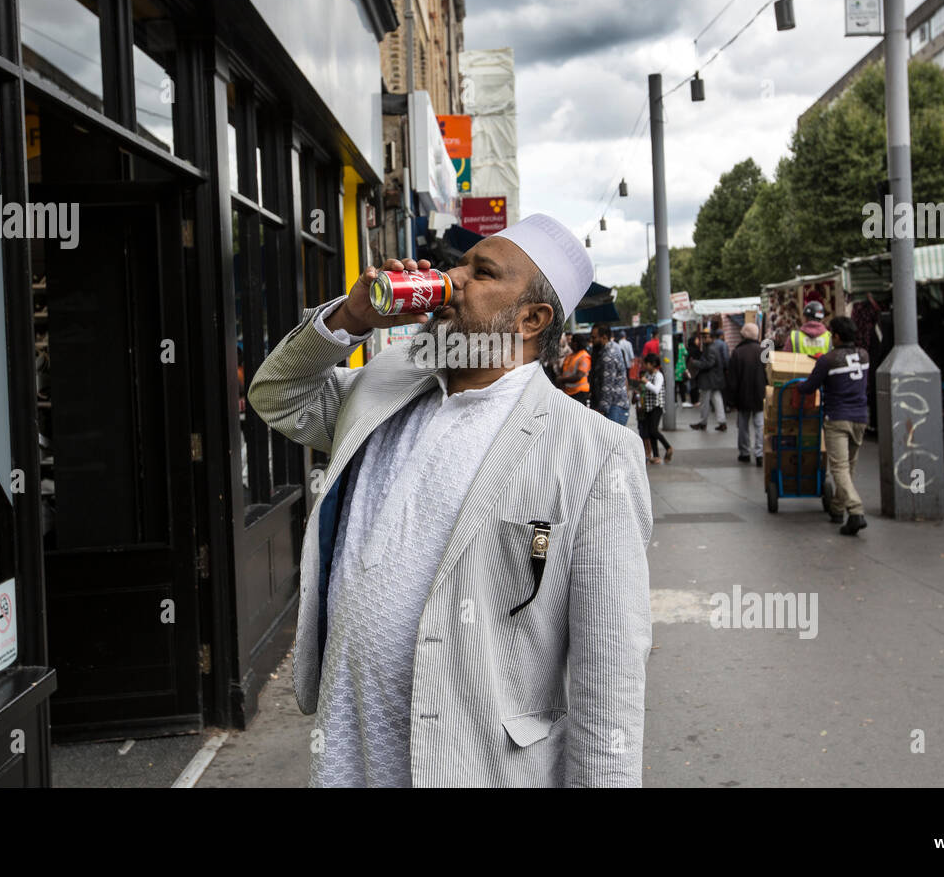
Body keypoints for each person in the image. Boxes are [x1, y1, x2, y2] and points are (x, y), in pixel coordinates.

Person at [248, 213, 652, 787]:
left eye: (480, 272)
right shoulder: (389, 380)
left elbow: (609, 684)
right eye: (458, 263)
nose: (452, 277)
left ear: (531, 318)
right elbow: (277, 397)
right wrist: (352, 318)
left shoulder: (595, 454)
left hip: (477, 769)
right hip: (347, 756)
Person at [798, 315, 871, 536]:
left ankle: (855, 511)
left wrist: (797, 386)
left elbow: (810, 387)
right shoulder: (864, 355)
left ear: (837, 337)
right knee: (849, 466)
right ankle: (837, 509)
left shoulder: (828, 360)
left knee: (839, 467)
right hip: (860, 417)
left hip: (837, 418)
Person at [727, 323, 766, 467]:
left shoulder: (738, 352)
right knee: (760, 425)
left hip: (742, 395)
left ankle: (744, 453)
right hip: (760, 393)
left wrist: (730, 400)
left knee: (743, 426)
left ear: (743, 335)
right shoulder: (763, 351)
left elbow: (732, 379)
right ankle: (760, 454)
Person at [591, 323, 631, 426]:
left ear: (604, 337)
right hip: (618, 405)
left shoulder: (608, 356)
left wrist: (601, 411)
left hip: (613, 408)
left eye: (594, 337)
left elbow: (607, 385)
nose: (592, 340)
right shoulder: (615, 347)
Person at [635, 352, 672, 464]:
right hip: (648, 407)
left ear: (653, 364)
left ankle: (668, 447)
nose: (645, 366)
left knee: (653, 430)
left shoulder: (658, 375)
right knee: (651, 432)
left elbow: (656, 390)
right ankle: (656, 456)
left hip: (657, 406)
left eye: (647, 364)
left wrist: (646, 383)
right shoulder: (648, 375)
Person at [689, 328, 728, 432]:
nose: (703, 339)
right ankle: (722, 422)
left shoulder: (710, 348)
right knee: (717, 400)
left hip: (709, 380)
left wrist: (696, 363)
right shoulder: (712, 347)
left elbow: (709, 363)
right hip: (714, 379)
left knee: (705, 402)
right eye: (703, 337)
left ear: (712, 338)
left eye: (706, 337)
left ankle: (703, 423)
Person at [557, 332, 592, 406]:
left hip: (580, 393)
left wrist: (561, 379)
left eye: (572, 341)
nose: (570, 343)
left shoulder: (584, 356)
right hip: (568, 392)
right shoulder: (570, 356)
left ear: (576, 343)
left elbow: (579, 376)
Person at [685, 331, 703, 406]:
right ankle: (695, 401)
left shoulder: (688, 349)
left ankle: (693, 400)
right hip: (695, 370)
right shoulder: (695, 350)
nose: (698, 341)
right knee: (695, 386)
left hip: (690, 370)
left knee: (692, 385)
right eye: (697, 339)